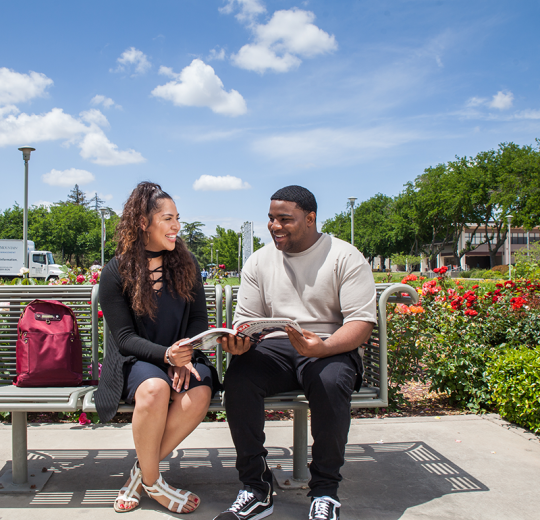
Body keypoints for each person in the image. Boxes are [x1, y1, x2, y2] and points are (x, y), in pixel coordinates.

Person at [215, 186, 377, 520]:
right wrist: (240, 341)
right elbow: (246, 320)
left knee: (330, 383)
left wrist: (326, 347)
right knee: (240, 379)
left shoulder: (345, 256)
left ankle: (325, 492)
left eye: (285, 219)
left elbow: (360, 323)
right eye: (271, 218)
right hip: (275, 345)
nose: (275, 226)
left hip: (330, 345)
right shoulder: (259, 260)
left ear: (310, 218)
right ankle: (256, 489)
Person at [95, 182, 220, 515]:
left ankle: (140, 476)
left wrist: (186, 353)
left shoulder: (186, 263)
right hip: (135, 359)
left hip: (183, 355)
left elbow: (198, 321)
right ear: (143, 223)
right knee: (154, 389)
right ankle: (156, 485)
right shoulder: (116, 271)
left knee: (199, 392)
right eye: (167, 219)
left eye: (177, 218)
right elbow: (123, 337)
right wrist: (166, 356)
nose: (176, 226)